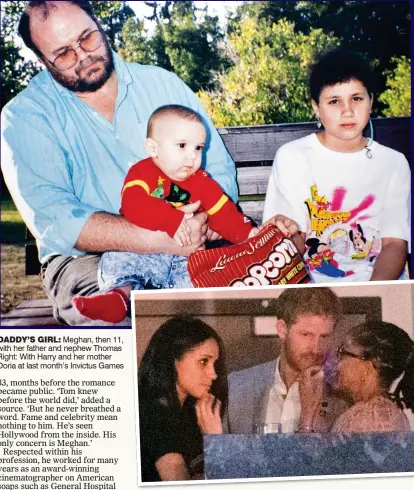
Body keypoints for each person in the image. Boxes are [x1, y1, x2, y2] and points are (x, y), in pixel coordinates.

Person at [0, 0, 237, 326]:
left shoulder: (161, 84)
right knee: (120, 320)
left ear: (100, 24)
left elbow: (218, 171)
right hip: (85, 259)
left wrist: (200, 221)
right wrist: (160, 240)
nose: (83, 55)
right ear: (43, 61)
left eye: (87, 38)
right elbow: (56, 217)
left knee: (237, 301)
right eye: (64, 54)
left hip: (194, 236)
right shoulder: (24, 116)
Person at [72, 104, 259, 323]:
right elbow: (134, 204)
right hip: (142, 253)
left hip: (185, 259)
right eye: (182, 146)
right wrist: (172, 219)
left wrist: (250, 235)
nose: (192, 157)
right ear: (153, 149)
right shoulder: (142, 173)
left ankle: (188, 313)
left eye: (198, 148)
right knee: (117, 258)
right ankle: (118, 298)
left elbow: (224, 212)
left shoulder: (203, 182)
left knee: (204, 274)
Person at [263, 48, 410, 283]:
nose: (347, 111)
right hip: (308, 284)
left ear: (371, 101)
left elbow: (394, 244)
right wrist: (285, 234)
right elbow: (294, 238)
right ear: (316, 107)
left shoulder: (393, 163)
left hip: (377, 280)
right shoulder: (293, 157)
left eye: (357, 98)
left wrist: (371, 297)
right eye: (334, 101)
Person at [226, 287, 348, 434]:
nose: (316, 348)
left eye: (324, 336)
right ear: (282, 329)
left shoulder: (342, 395)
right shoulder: (237, 386)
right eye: (305, 335)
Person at [138, 316, 227, 482]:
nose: (213, 374)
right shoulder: (155, 418)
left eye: (214, 363)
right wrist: (215, 441)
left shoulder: (186, 415)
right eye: (203, 361)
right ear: (173, 361)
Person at [298, 320, 414, 432]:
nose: (335, 363)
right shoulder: (380, 412)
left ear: (366, 369)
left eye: (342, 353)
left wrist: (306, 416)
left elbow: (313, 453)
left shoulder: (366, 418)